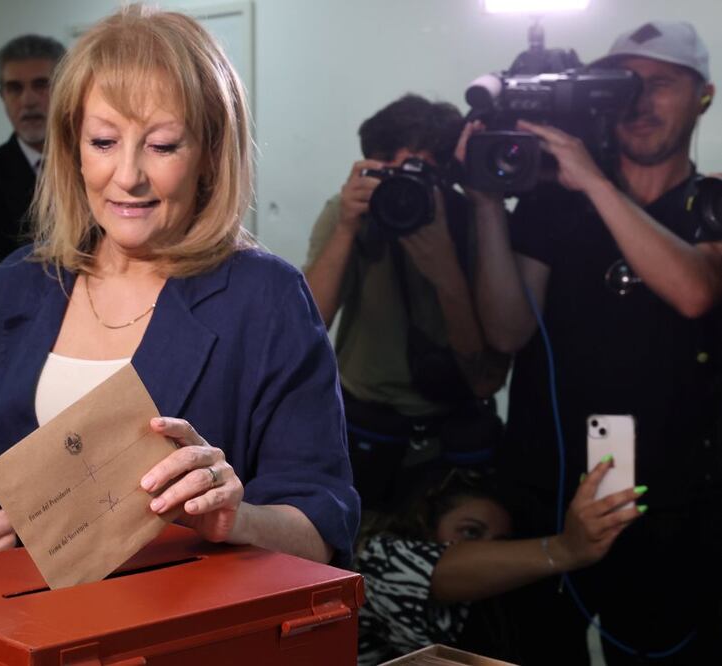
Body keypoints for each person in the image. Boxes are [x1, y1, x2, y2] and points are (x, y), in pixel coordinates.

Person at [0, 6, 359, 568]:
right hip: (27, 626)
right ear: (71, 150)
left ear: (209, 155)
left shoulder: (266, 299)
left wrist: (237, 518)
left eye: (162, 145)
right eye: (103, 142)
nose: (127, 176)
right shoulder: (14, 287)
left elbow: (323, 523)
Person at [468, 20, 722, 664]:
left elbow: (695, 290)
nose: (637, 101)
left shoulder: (711, 204)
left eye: (661, 84)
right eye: (622, 85)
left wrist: (596, 183)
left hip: (671, 503)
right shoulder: (557, 203)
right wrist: (490, 203)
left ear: (705, 96)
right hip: (548, 486)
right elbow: (506, 330)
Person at [304, 95, 508, 511]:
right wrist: (346, 228)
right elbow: (308, 325)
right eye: (393, 172)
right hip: (365, 425)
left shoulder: (471, 218)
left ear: (447, 173)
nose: (406, 188)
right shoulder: (352, 212)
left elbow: (487, 379)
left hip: (449, 429)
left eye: (423, 173)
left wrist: (445, 267)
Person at [355, 459, 643, 665]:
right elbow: (423, 572)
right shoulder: (375, 559)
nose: (486, 549)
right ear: (425, 525)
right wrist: (566, 549)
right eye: (470, 532)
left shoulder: (484, 609)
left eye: (500, 542)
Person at [0, 34, 66, 302]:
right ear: (2, 96)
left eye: (41, 85)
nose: (28, 101)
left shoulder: (97, 161)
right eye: (15, 88)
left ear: (66, 87)